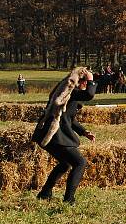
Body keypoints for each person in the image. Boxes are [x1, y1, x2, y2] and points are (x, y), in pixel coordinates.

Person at [31, 67, 96, 206]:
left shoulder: (66, 93)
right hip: (54, 135)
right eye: (86, 83)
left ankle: (45, 193)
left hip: (51, 135)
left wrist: (84, 132)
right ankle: (69, 199)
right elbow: (89, 95)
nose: (86, 86)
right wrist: (91, 78)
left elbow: (70, 119)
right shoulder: (69, 92)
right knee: (80, 163)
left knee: (65, 164)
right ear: (81, 82)